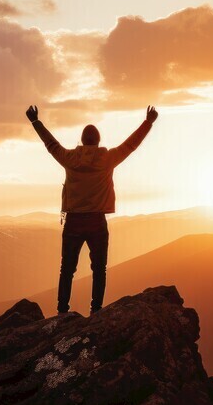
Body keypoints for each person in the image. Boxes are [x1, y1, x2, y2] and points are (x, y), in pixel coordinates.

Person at [26, 105, 158, 315]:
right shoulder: (107, 159)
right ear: (98, 141)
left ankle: (62, 311)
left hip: (74, 222)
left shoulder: (69, 159)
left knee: (67, 270)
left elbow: (50, 144)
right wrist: (148, 122)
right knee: (99, 269)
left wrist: (35, 122)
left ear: (82, 140)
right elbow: (131, 145)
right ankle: (96, 310)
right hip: (97, 222)